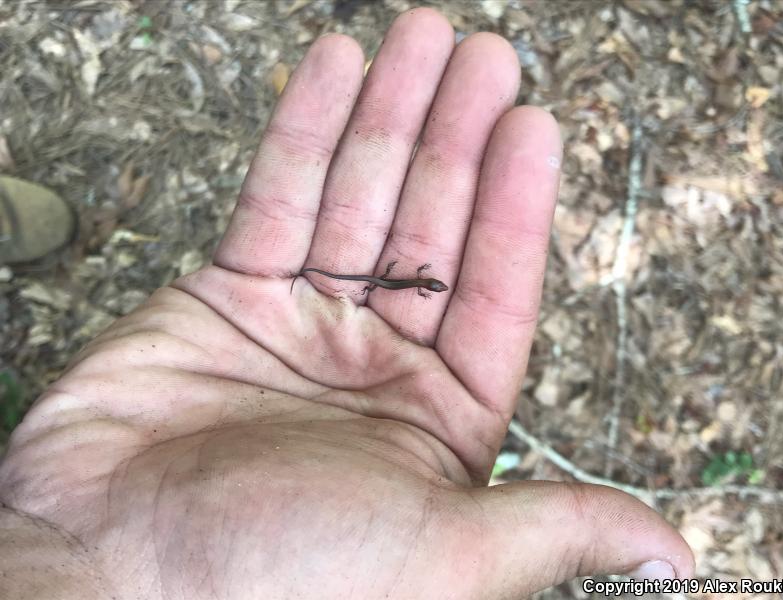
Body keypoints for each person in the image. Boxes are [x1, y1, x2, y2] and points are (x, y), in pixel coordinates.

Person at [0, 8, 693, 598]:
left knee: (389, 273)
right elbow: (400, 278)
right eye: (432, 286)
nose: (431, 289)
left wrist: (62, 556)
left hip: (376, 285)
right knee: (386, 274)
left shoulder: (411, 284)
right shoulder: (406, 284)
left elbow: (405, 278)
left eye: (430, 288)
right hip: (375, 284)